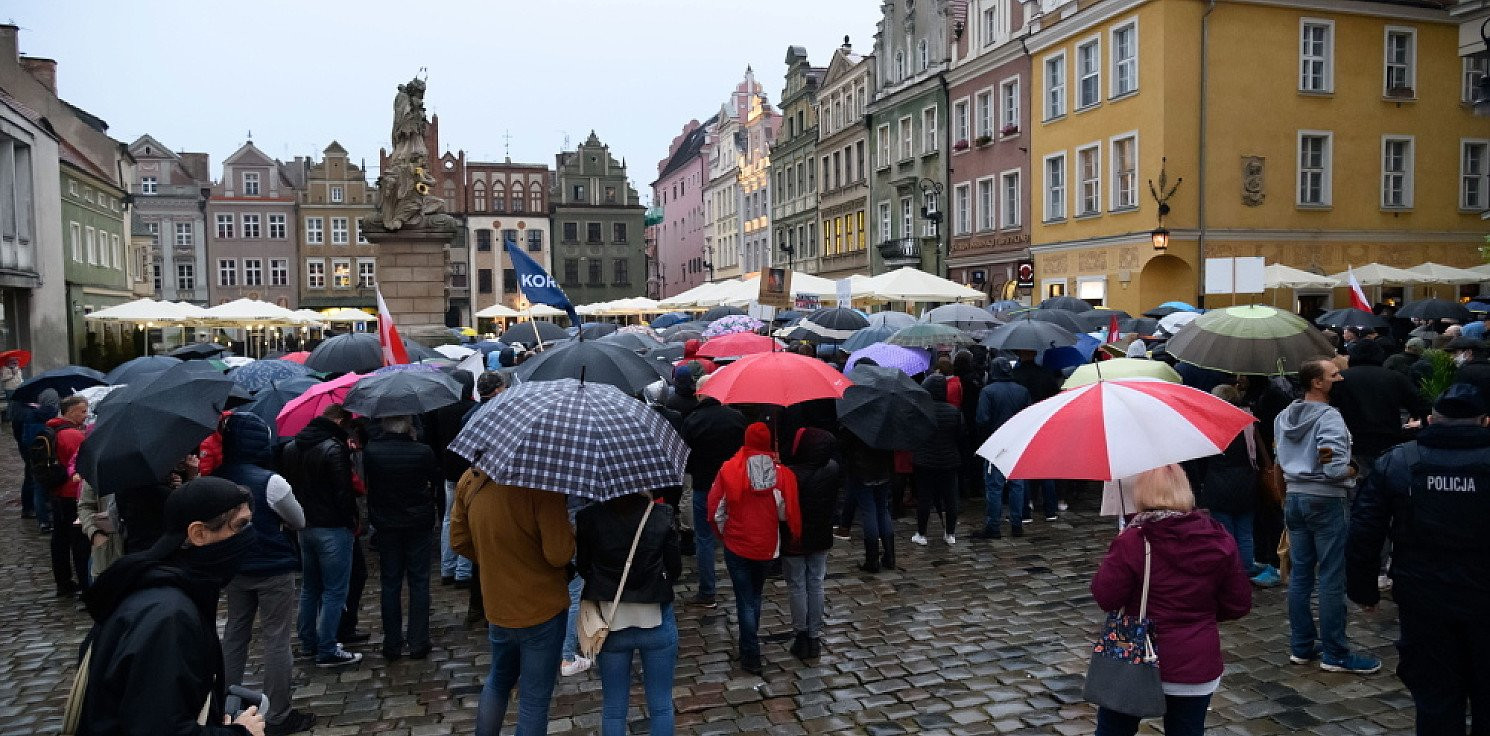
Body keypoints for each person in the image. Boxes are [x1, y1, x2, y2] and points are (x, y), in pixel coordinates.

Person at [1347, 383, 1490, 734]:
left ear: (1430, 420)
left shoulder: (1399, 460)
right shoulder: (1400, 459)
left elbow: (1365, 529)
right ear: (1484, 422)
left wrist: (1363, 589)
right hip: (1482, 595)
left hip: (1424, 595)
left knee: (1435, 697)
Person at [78, 477, 266, 736]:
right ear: (198, 534)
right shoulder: (170, 616)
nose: (247, 537)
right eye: (240, 526)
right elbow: (158, 728)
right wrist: (241, 733)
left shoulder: (166, 590)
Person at [1090, 465, 1252, 736]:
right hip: (1196, 662)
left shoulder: (1133, 541)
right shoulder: (1219, 538)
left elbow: (1106, 597)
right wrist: (1199, 615)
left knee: (1113, 730)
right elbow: (1238, 603)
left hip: (1134, 658)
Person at [214, 412, 317, 736]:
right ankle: (279, 713)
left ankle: (225, 703)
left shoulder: (216, 479)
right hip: (272, 567)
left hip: (234, 567)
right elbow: (298, 519)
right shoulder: (270, 481)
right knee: (276, 639)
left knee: (235, 633)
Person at [451, 469, 574, 736]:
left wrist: (497, 562)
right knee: (534, 698)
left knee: (498, 681)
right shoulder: (542, 485)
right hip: (542, 607)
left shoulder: (471, 480)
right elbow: (559, 554)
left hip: (498, 605)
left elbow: (459, 541)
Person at [1274, 358, 1378, 674]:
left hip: (1294, 497)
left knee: (1301, 574)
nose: (1340, 379)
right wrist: (1355, 470)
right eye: (1334, 375)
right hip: (1325, 501)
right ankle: (1335, 653)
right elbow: (1333, 469)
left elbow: (1279, 460)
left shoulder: (1283, 416)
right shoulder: (1329, 418)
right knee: (1332, 575)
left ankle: (1301, 647)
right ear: (1317, 383)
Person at [575, 492, 681, 736]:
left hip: (611, 621)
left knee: (613, 708)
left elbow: (584, 567)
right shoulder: (660, 515)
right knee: (661, 705)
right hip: (655, 618)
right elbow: (674, 567)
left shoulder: (589, 518)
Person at [708, 422, 802, 675]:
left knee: (744, 599)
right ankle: (750, 646)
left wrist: (723, 532)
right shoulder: (780, 474)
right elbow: (785, 513)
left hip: (737, 544)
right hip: (766, 545)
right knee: (755, 596)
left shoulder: (730, 469)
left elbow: (717, 509)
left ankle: (750, 652)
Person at [278, 403, 362, 667]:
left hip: (305, 526)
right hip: (333, 528)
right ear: (338, 422)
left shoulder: (292, 447)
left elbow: (289, 487)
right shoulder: (333, 448)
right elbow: (343, 492)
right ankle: (327, 647)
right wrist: (351, 521)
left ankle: (308, 642)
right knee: (335, 590)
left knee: (310, 588)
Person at [362, 415, 443, 661]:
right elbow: (436, 479)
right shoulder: (421, 451)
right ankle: (418, 640)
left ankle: (392, 642)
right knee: (419, 581)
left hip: (386, 523)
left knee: (390, 582)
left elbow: (371, 486)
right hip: (418, 522)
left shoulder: (372, 451)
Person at [1193, 385, 1279, 586]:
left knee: (1225, 532)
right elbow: (1259, 452)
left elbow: (1202, 461)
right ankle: (1245, 569)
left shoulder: (1209, 424)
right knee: (1245, 532)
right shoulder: (1248, 422)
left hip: (1218, 483)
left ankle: (1230, 572)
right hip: (1246, 482)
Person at [679, 392, 747, 608]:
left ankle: (707, 591)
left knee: (705, 538)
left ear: (700, 396)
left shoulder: (693, 420)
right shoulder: (737, 418)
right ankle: (743, 586)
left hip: (704, 486)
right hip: (733, 484)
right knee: (735, 534)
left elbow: (685, 458)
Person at [783, 427, 839, 661]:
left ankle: (801, 635)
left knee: (797, 585)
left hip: (795, 538)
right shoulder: (833, 469)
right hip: (821, 535)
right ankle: (814, 636)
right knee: (816, 583)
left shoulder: (790, 474)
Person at [1331, 339, 1428, 473]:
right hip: (1388, 440)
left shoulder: (1341, 379)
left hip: (1352, 441)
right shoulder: (1395, 378)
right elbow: (1421, 406)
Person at [424, 372, 476, 588]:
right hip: (468, 472)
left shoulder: (439, 409)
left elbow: (431, 441)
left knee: (449, 518)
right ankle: (463, 571)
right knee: (468, 520)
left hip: (448, 471)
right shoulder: (471, 410)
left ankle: (448, 567)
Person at [973, 359, 1033, 539]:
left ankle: (993, 526)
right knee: (1017, 484)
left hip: (996, 443)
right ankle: (1016, 524)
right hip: (1016, 442)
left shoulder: (988, 391)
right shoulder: (1022, 391)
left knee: (994, 486)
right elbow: (1030, 416)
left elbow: (981, 419)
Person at [46, 395, 91, 596]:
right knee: (79, 541)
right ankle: (84, 583)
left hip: (57, 492)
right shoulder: (72, 435)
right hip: (72, 493)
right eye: (82, 411)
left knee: (60, 539)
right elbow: (81, 464)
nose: (86, 415)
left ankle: (63, 581)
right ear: (70, 411)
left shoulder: (52, 428)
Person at [912, 374, 963, 546]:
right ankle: (950, 533)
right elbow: (961, 436)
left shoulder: (921, 412)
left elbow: (915, 435)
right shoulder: (954, 412)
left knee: (924, 498)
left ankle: (921, 533)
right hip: (949, 460)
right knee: (950, 498)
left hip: (925, 461)